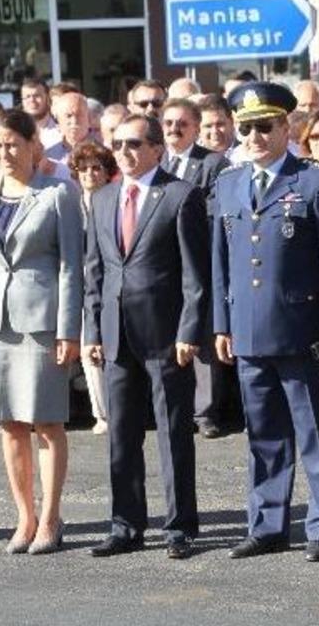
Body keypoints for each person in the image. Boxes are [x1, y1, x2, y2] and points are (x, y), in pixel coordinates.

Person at [213, 81, 319, 562]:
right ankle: (267, 524)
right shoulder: (228, 183)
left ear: (286, 127)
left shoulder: (313, 182)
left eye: (264, 126)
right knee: (264, 435)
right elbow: (221, 261)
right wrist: (221, 324)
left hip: (301, 330)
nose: (253, 136)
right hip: (249, 330)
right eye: (245, 127)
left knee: (317, 433)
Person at [83, 114, 208, 560]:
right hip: (117, 335)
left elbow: (196, 273)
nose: (124, 152)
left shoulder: (181, 195)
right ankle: (126, 524)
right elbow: (95, 270)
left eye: (134, 143)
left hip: (165, 335)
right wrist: (94, 328)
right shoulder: (102, 198)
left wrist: (189, 329)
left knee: (173, 434)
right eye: (117, 144)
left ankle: (180, 527)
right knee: (122, 435)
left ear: (157, 148)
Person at [0, 108, 82, 555]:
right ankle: (24, 517)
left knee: (47, 422)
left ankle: (51, 517)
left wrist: (69, 329)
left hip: (41, 321)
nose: (5, 153)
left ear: (34, 146)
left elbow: (72, 266)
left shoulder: (57, 194)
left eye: (13, 144)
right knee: (9, 424)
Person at [160, 97, 238, 438]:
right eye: (169, 124)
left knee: (203, 338)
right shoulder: (157, 160)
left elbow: (213, 213)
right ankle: (176, 407)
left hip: (199, 259)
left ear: (195, 128)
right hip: (163, 264)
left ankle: (206, 412)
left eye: (182, 124)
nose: (175, 129)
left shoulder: (213, 164)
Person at [69, 140, 119, 435]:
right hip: (78, 284)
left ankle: (116, 411)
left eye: (96, 168)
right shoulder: (70, 204)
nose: (89, 174)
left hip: (108, 284)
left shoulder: (115, 201)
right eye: (83, 168)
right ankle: (100, 413)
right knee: (88, 351)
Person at [45, 92, 95, 166]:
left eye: (79, 114)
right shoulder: (49, 157)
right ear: (58, 120)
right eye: (68, 116)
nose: (74, 121)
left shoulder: (104, 153)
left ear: (89, 118)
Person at [21, 78, 61, 149]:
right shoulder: (17, 131)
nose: (32, 100)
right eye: (27, 97)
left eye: (37, 96)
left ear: (47, 98)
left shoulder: (61, 130)